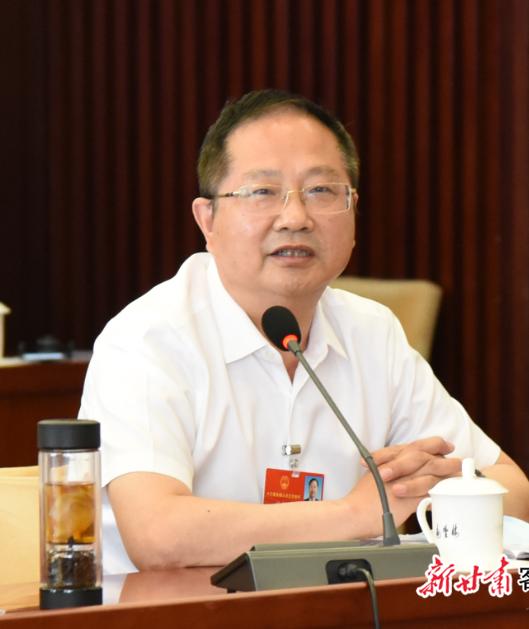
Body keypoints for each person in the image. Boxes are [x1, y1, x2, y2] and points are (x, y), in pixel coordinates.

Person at [79, 89, 529, 574]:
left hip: (342, 607)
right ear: (207, 220)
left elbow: (514, 490)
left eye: (321, 191)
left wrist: (434, 491)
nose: (295, 218)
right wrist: (358, 515)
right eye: (262, 192)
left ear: (353, 212)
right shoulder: (148, 339)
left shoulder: (371, 332)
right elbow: (159, 536)